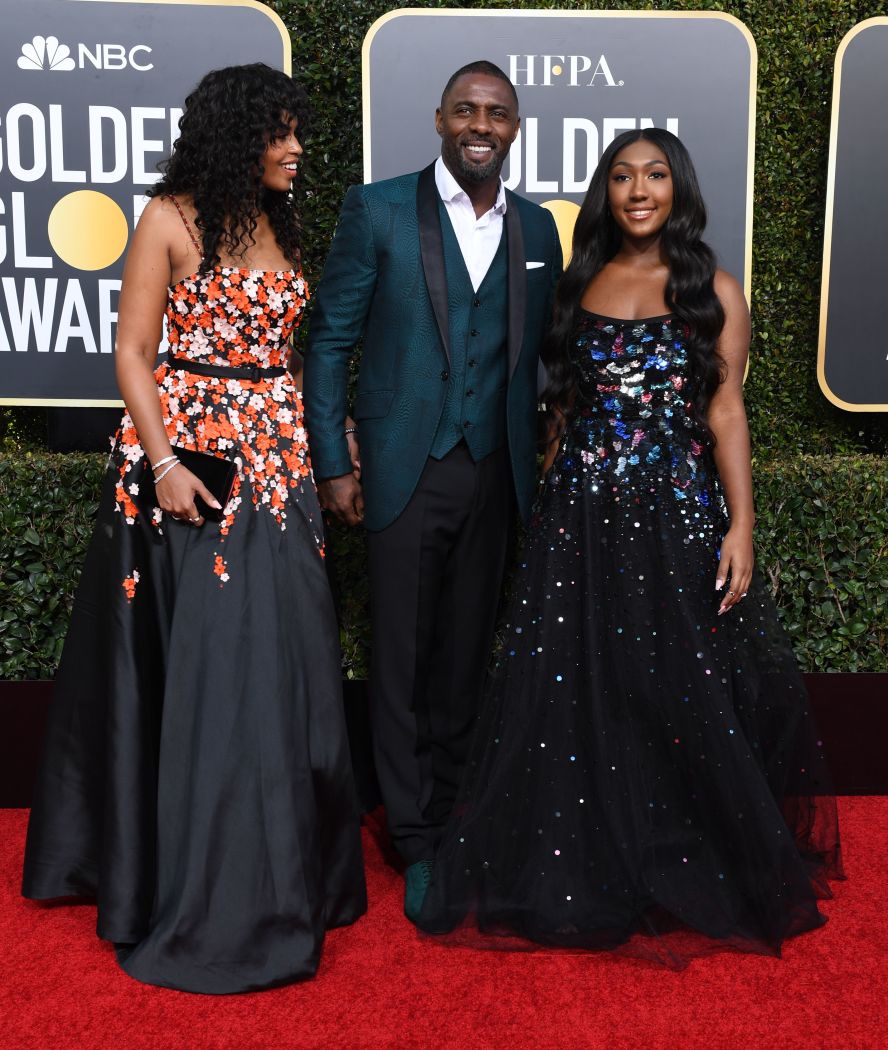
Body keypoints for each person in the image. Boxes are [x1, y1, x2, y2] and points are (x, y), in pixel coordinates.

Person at [416, 128, 843, 964]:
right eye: (621, 176)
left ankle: (677, 854)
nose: (638, 189)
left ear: (677, 188)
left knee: (674, 688)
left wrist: (741, 524)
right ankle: (584, 861)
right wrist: (541, 503)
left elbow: (725, 413)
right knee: (577, 690)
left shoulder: (711, 288)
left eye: (653, 175)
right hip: (577, 517)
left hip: (675, 514)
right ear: (605, 192)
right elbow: (565, 409)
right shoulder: (580, 283)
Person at [22, 63, 367, 994]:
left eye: (298, 133)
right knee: (220, 671)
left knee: (287, 659)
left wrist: (322, 437)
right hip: (192, 472)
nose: (298, 149)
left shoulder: (277, 218)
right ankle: (207, 888)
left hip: (279, 464)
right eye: (281, 133)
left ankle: (290, 873)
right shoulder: (168, 218)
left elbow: (279, 355)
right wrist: (168, 462)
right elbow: (132, 352)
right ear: (236, 134)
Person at [303, 60, 561, 921]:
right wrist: (335, 465)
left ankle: (452, 810)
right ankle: (411, 832)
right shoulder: (376, 209)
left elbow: (542, 353)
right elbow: (330, 341)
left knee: (463, 652)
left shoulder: (537, 229)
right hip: (404, 466)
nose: (480, 125)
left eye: (497, 113)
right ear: (441, 118)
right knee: (404, 655)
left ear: (514, 127)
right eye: (466, 110)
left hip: (498, 470)